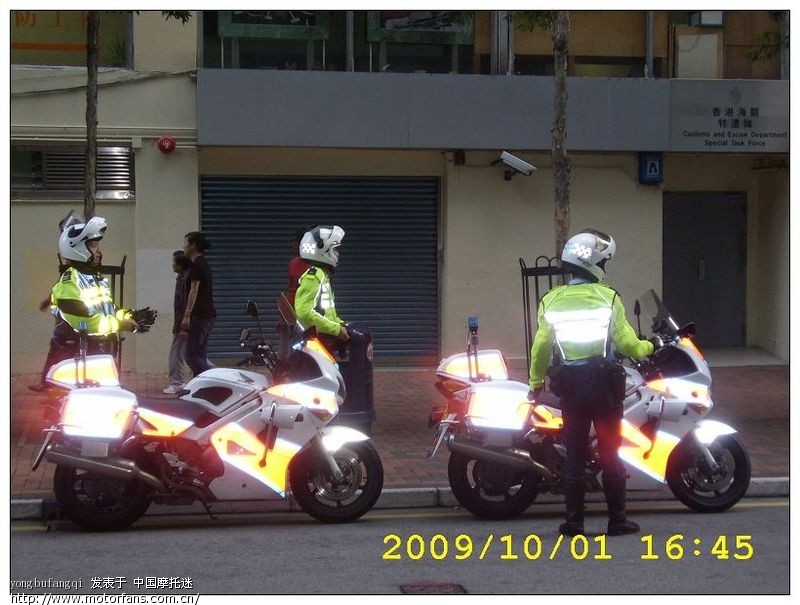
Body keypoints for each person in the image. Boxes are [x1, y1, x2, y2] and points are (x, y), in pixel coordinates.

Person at [527, 229, 656, 537]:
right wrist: (650, 346)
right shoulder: (608, 297)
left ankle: (574, 523)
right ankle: (617, 520)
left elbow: (541, 347)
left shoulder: (551, 300)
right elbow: (629, 345)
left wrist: (535, 382)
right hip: (603, 386)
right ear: (597, 264)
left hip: (570, 387)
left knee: (574, 452)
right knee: (610, 451)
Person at [37, 215, 156, 386]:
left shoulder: (95, 278)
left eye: (97, 245)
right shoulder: (70, 281)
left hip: (97, 356)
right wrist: (122, 325)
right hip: (75, 358)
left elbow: (108, 309)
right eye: (93, 245)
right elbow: (84, 322)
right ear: (77, 249)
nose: (99, 250)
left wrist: (131, 315)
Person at [293, 225, 350, 344]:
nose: (338, 254)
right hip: (313, 341)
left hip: (322, 339)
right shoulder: (314, 275)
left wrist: (339, 324)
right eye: (335, 249)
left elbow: (326, 312)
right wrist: (337, 330)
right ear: (323, 250)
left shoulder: (323, 274)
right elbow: (304, 312)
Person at [180, 231, 216, 377]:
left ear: (192, 246)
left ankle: (215, 379)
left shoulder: (198, 265)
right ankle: (202, 388)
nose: (183, 247)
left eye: (185, 243)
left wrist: (187, 315)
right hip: (207, 315)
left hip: (200, 316)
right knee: (200, 355)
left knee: (191, 356)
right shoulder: (203, 263)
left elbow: (193, 291)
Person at [277, 226, 313, 359]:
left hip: (308, 321)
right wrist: (283, 318)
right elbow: (290, 291)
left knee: (304, 357)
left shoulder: (316, 266)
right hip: (290, 319)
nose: (292, 245)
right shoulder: (293, 263)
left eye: (295, 241)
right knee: (284, 358)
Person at [163, 250, 191, 394]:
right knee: (189, 354)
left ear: (180, 265)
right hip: (181, 322)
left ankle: (177, 382)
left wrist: (181, 326)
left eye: (174, 262)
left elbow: (183, 304)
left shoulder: (185, 280)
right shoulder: (181, 278)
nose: (172, 265)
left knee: (177, 353)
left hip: (182, 324)